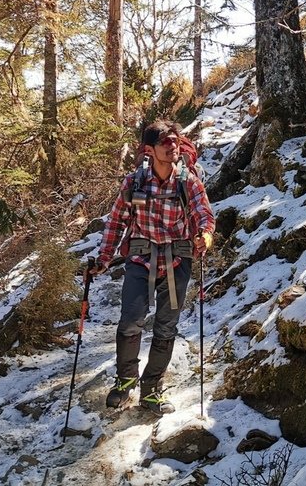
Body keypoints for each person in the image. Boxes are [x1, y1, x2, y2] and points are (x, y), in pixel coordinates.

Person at [91, 120, 215, 415]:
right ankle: (124, 383)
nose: (172, 146)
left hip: (177, 262)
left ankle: (151, 389)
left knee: (165, 327)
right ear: (150, 150)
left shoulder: (189, 181)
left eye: (175, 140)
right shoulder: (133, 183)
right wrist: (103, 259)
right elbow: (117, 221)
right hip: (139, 260)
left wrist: (205, 235)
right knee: (130, 322)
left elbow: (204, 213)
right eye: (165, 142)